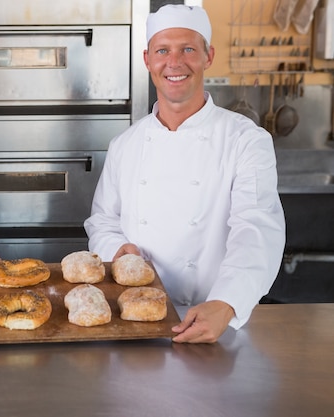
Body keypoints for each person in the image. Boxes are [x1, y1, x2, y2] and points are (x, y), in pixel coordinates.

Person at [84, 5, 285, 344]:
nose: (174, 62)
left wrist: (227, 302)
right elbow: (103, 221)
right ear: (147, 60)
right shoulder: (124, 145)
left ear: (209, 56)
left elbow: (257, 227)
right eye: (163, 50)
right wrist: (117, 249)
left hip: (215, 324)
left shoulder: (246, 139)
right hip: (135, 322)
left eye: (188, 49)